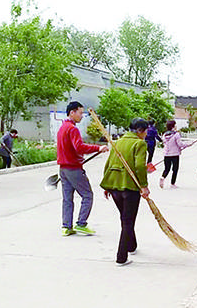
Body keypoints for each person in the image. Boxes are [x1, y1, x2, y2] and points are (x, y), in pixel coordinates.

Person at [100, 118, 150, 266]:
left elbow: (108, 163)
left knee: (126, 218)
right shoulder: (139, 143)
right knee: (127, 220)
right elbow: (140, 166)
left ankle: (131, 246)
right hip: (129, 188)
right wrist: (144, 185)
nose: (146, 134)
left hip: (114, 187)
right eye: (146, 130)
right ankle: (121, 257)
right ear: (140, 131)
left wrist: (107, 184)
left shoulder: (118, 142)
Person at [57, 101, 109, 237]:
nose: (82, 116)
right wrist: (98, 148)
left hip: (63, 169)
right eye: (80, 113)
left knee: (67, 198)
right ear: (72, 112)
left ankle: (66, 226)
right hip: (73, 168)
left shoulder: (62, 127)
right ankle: (81, 224)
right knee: (87, 195)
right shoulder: (72, 129)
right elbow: (79, 147)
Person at [160, 120, 189, 189]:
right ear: (173, 126)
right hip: (175, 154)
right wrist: (187, 144)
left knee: (167, 169)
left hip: (166, 154)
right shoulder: (176, 134)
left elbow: (164, 143)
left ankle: (163, 177)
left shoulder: (164, 135)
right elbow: (180, 144)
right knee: (175, 169)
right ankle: (172, 184)